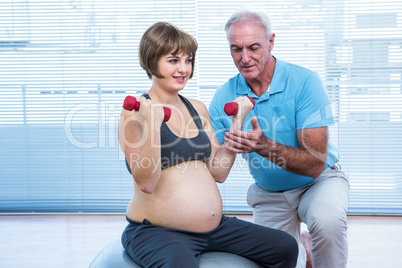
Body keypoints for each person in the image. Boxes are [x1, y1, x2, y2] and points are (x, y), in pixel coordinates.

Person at [118, 21, 298, 268]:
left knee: (284, 247)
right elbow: (146, 183)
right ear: (152, 61)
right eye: (173, 60)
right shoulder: (135, 113)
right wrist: (152, 126)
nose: (183, 69)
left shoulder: (197, 108)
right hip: (156, 231)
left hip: (214, 229)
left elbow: (219, 171)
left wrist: (237, 122)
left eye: (188, 60)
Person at [208, 8, 350, 268]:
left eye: (253, 47)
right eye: (236, 49)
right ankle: (303, 250)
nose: (245, 58)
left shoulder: (306, 82)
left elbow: (316, 163)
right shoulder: (223, 97)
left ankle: (311, 247)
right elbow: (218, 169)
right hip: (270, 192)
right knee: (275, 257)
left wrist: (263, 147)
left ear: (271, 42)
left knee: (327, 221)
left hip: (318, 182)